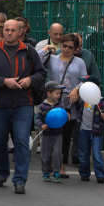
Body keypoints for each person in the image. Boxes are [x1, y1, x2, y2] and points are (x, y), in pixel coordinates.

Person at [0, 19, 46, 194]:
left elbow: (41, 74)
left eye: (12, 30)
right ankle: (2, 173)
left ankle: (20, 180)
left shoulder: (29, 51)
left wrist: (30, 80)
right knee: (0, 142)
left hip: (23, 104)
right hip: (0, 104)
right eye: (6, 30)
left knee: (21, 141)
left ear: (20, 32)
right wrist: (4, 82)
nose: (9, 33)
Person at [41, 33, 86, 177]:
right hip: (54, 103)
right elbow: (37, 60)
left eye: (70, 47)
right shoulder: (53, 59)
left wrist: (77, 88)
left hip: (70, 103)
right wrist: (45, 48)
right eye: (64, 45)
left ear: (75, 48)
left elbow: (85, 79)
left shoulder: (79, 62)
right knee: (51, 133)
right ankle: (51, 164)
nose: (66, 49)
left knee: (65, 135)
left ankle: (61, 166)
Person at [74, 76, 104, 183]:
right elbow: (78, 108)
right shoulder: (82, 100)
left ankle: (100, 175)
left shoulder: (100, 102)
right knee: (83, 154)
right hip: (83, 130)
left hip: (96, 132)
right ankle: (84, 173)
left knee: (96, 153)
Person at [35, 81, 66, 184]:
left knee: (57, 153)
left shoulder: (60, 105)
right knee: (46, 154)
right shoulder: (43, 106)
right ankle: (46, 172)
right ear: (49, 93)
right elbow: (38, 119)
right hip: (46, 134)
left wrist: (67, 117)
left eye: (59, 93)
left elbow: (62, 116)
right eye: (57, 93)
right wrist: (41, 125)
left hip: (58, 134)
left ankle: (57, 172)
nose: (59, 95)